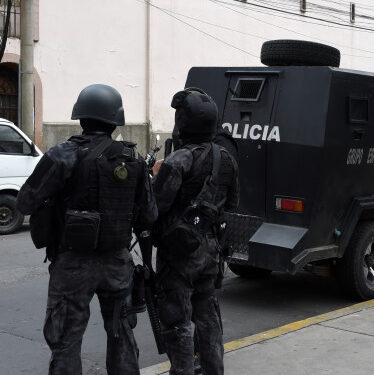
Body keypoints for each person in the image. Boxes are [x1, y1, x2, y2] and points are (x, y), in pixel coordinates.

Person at [16, 84, 157, 374]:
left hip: (72, 265)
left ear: (81, 118)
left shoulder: (62, 154)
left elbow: (25, 202)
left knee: (66, 342)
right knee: (121, 338)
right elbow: (149, 216)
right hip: (117, 263)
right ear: (115, 121)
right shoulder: (133, 160)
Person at [153, 87, 239, 375]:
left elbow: (155, 207)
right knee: (208, 317)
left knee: (177, 322)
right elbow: (233, 203)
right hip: (212, 250)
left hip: (179, 254)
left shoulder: (178, 161)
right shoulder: (226, 158)